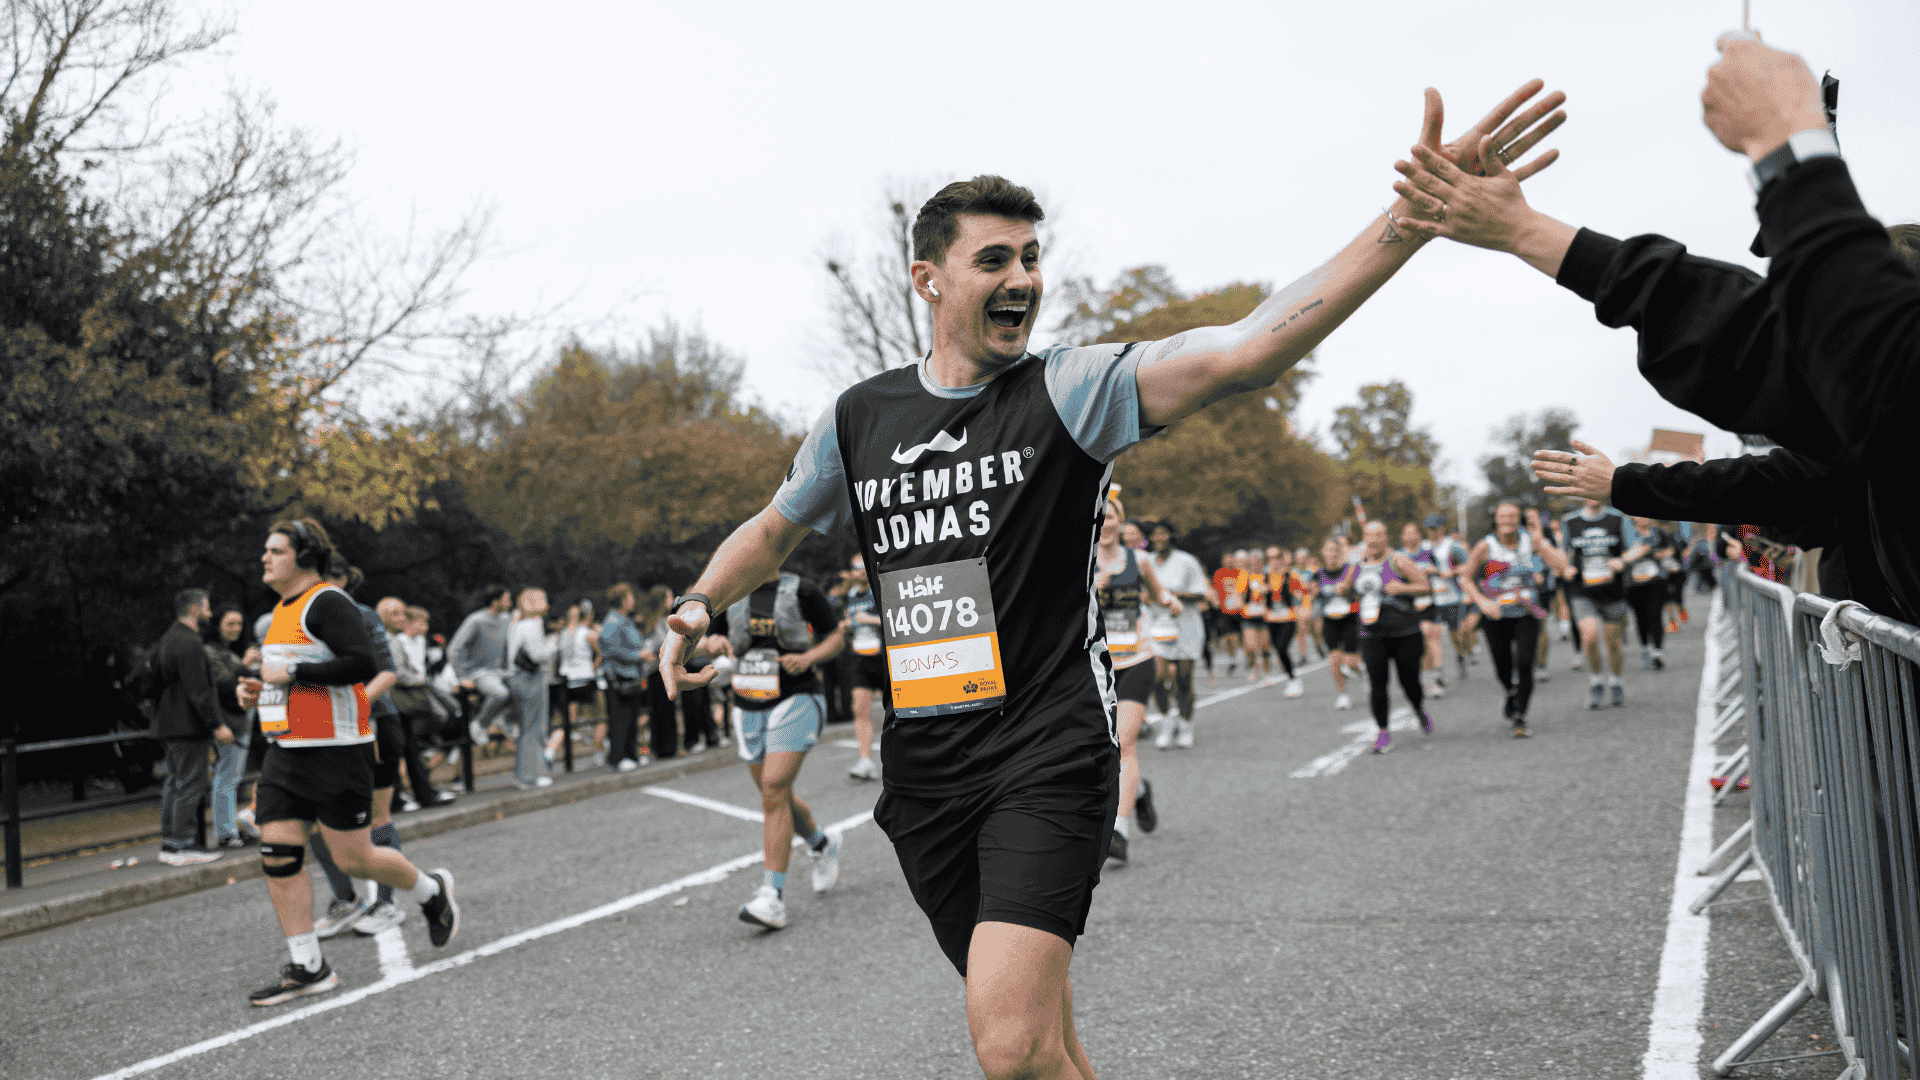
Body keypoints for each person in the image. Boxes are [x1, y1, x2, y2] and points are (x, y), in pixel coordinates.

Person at [658, 98, 1568, 1075]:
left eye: (1032, 258)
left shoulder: (1070, 389)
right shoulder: (858, 418)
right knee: (1046, 1045)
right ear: (928, 279)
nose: (1025, 279)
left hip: (1047, 748)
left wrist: (1408, 222)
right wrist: (692, 607)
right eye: (995, 260)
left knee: (1007, 1048)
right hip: (930, 769)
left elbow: (1247, 345)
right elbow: (773, 529)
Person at [1392, 33, 1920, 625]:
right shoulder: (1854, 445)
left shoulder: (1886, 396)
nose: (1817, 337)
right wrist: (1624, 485)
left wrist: (1789, 144)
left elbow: (1762, 343)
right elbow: (1765, 475)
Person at [235, 519, 457, 1006]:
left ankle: (430, 892)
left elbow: (363, 665)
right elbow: (290, 679)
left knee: (353, 857)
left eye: (275, 551)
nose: (265, 559)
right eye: (265, 551)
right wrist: (258, 691)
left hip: (336, 752)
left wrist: (289, 672)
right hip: (286, 754)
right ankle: (308, 966)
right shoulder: (281, 610)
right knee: (277, 854)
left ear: (304, 556)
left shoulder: (326, 602)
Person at [685, 569, 846, 929]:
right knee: (777, 794)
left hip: (797, 696)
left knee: (773, 789)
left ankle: (771, 897)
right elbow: (706, 642)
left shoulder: (804, 589)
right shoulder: (729, 594)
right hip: (747, 703)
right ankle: (821, 844)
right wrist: (710, 644)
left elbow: (835, 638)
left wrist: (808, 658)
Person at [1094, 497, 1180, 864]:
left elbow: (1160, 598)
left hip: (1138, 660)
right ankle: (1140, 790)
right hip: (1098, 666)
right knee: (1102, 746)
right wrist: (1094, 588)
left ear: (1121, 520)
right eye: (1100, 516)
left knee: (1125, 742)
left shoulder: (1139, 560)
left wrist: (1170, 604)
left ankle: (1120, 830)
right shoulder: (1081, 562)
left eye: (1111, 516)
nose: (1106, 523)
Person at [1461, 503, 1552, 737]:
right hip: (1496, 615)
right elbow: (1465, 579)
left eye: (1513, 516)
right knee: (1502, 667)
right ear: (1496, 520)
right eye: (1503, 516)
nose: (1508, 520)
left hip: (1526, 612)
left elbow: (1557, 562)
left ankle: (1520, 717)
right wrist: (1483, 603)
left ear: (1519, 519)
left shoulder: (1530, 541)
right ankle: (1511, 692)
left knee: (1524, 662)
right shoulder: (1485, 545)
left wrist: (1543, 545)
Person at [155, 588, 231, 865]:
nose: (210, 613)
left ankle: (170, 844)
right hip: (188, 725)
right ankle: (183, 845)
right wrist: (217, 724)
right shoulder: (189, 643)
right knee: (190, 784)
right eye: (207, 608)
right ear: (196, 609)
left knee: (175, 784)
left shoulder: (168, 640)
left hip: (170, 723)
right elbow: (199, 690)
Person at [1556, 499, 1647, 709]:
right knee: (1588, 635)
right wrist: (1564, 567)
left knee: (1613, 641)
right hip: (1582, 590)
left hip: (1613, 591)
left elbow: (1638, 547)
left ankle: (1616, 682)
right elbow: (1562, 551)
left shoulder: (1618, 518)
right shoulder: (1570, 521)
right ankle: (1596, 683)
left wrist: (1623, 560)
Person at [1353, 521, 1433, 754]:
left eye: (1378, 534)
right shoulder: (1356, 564)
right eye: (1369, 535)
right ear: (1364, 537)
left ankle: (1418, 708)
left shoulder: (1398, 560)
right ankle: (1383, 731)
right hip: (1371, 634)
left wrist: (1402, 589)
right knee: (1377, 684)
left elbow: (1425, 585)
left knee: (1409, 683)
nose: (1374, 539)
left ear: (1386, 536)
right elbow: (1344, 587)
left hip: (1405, 632)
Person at [377, 597, 453, 809]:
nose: (402, 618)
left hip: (394, 702)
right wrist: (419, 680)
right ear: (383, 615)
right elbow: (397, 673)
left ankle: (417, 794)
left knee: (406, 749)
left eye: (403, 613)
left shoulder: (390, 638)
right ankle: (403, 797)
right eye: (395, 614)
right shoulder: (388, 640)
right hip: (392, 702)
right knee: (396, 751)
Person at [1145, 521, 1211, 734]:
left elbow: (1201, 593)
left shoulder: (1186, 561)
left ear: (1172, 536)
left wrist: (1170, 595)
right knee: (1155, 679)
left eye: (1163, 533)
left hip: (1186, 627)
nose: (1159, 538)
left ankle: (1185, 726)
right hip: (1157, 628)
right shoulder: (1146, 562)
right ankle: (1166, 724)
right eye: (1155, 534)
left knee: (1183, 680)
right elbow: (1138, 591)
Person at [204, 606, 257, 850]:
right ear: (217, 625)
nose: (236, 629)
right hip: (229, 724)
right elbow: (223, 684)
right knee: (226, 777)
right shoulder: (210, 651)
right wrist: (245, 666)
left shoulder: (229, 652)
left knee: (231, 777)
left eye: (239, 624)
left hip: (239, 722)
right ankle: (225, 833)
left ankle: (230, 828)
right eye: (230, 624)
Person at [448, 585, 514, 748]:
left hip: (499, 671)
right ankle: (480, 724)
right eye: (507, 599)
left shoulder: (506, 619)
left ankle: (501, 719)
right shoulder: (476, 620)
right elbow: (454, 649)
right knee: (500, 694)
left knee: (525, 687)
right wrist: (462, 676)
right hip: (478, 672)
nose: (510, 602)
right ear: (495, 601)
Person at [507, 588, 557, 790]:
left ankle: (523, 773)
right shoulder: (532, 624)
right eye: (542, 599)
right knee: (534, 728)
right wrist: (552, 645)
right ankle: (530, 776)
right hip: (531, 678)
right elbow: (538, 655)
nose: (546, 603)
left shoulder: (516, 624)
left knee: (526, 727)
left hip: (517, 678)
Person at [842, 553, 887, 781]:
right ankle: (865, 760)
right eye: (854, 567)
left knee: (896, 710)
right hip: (860, 658)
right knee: (859, 709)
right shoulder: (850, 595)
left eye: (861, 566)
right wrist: (846, 627)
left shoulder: (878, 589)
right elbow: (852, 624)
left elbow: (894, 617)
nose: (858, 571)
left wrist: (869, 620)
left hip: (883, 658)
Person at [599, 583, 652, 772]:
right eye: (630, 597)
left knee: (631, 716)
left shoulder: (624, 620)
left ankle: (631, 754)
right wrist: (638, 655)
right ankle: (618, 757)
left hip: (631, 674)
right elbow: (610, 648)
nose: (633, 600)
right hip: (620, 675)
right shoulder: (613, 621)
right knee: (620, 718)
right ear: (622, 600)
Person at [547, 601, 601, 766]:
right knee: (601, 715)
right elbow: (602, 654)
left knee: (568, 721)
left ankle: (550, 751)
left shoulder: (561, 635)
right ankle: (599, 752)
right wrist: (593, 666)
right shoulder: (588, 633)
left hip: (566, 681)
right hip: (585, 680)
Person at [1315, 538, 1363, 711]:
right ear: (1323, 552)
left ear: (1339, 552)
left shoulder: (1349, 571)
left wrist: (1347, 596)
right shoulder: (1319, 574)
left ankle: (1360, 670)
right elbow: (1314, 597)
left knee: (1349, 662)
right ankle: (1343, 695)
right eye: (1328, 550)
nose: (1332, 553)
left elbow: (1360, 596)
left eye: (1335, 550)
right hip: (1329, 621)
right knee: (1334, 659)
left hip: (1349, 618)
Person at [1625, 516, 1677, 670]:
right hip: (1633, 582)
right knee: (1640, 617)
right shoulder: (1627, 533)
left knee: (1655, 615)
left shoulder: (1659, 532)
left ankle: (1657, 652)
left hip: (1656, 580)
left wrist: (1655, 554)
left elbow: (1671, 549)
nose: (1643, 518)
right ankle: (1645, 647)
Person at [1260, 546, 1304, 698]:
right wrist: (1261, 593)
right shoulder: (1264, 577)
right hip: (1272, 618)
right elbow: (1256, 598)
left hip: (1288, 617)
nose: (1273, 561)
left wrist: (1298, 596)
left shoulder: (1290, 575)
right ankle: (1292, 678)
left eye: (1275, 557)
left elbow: (1302, 594)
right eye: (1270, 558)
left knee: (1282, 646)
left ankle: (1293, 679)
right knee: (1278, 649)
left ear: (1281, 559)